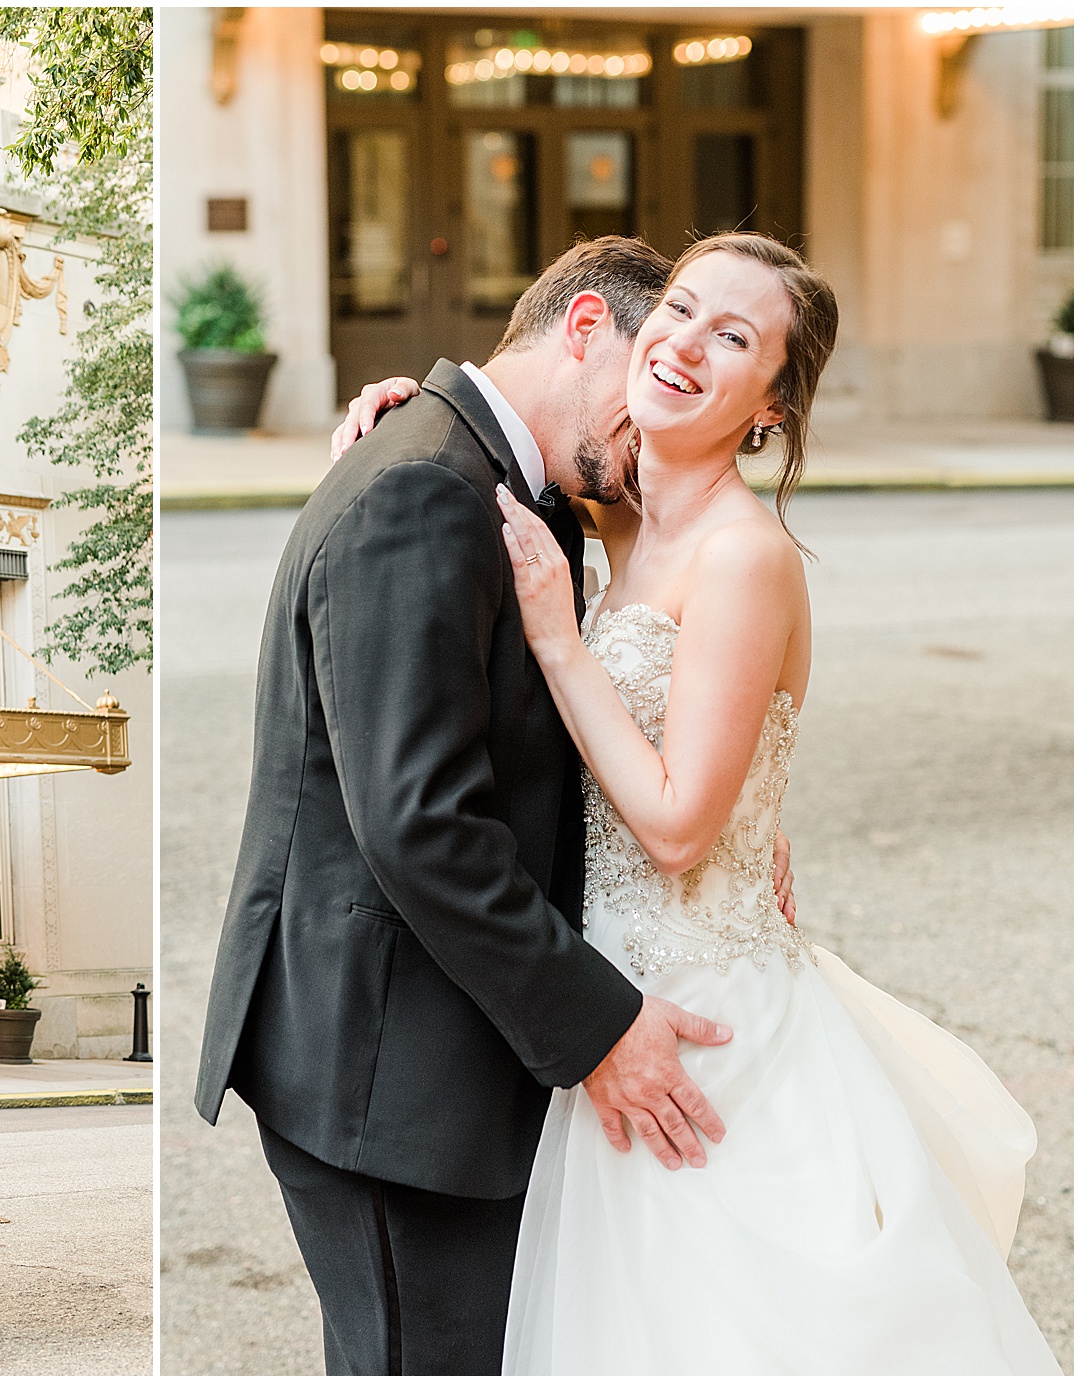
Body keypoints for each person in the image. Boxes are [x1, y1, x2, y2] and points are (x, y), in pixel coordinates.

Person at [339, 232, 1057, 1372]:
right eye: (677, 309)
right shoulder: (620, 518)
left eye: (732, 337)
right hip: (610, 996)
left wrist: (559, 639)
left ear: (768, 407)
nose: (681, 343)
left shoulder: (745, 556)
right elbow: (504, 444)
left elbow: (676, 829)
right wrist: (410, 406)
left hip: (705, 1024)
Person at [195, 237, 763, 1376]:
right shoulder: (422, 485)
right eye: (651, 362)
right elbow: (420, 824)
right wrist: (597, 1028)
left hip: (441, 1059)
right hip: (384, 1077)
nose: (650, 422)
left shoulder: (505, 478)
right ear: (587, 325)